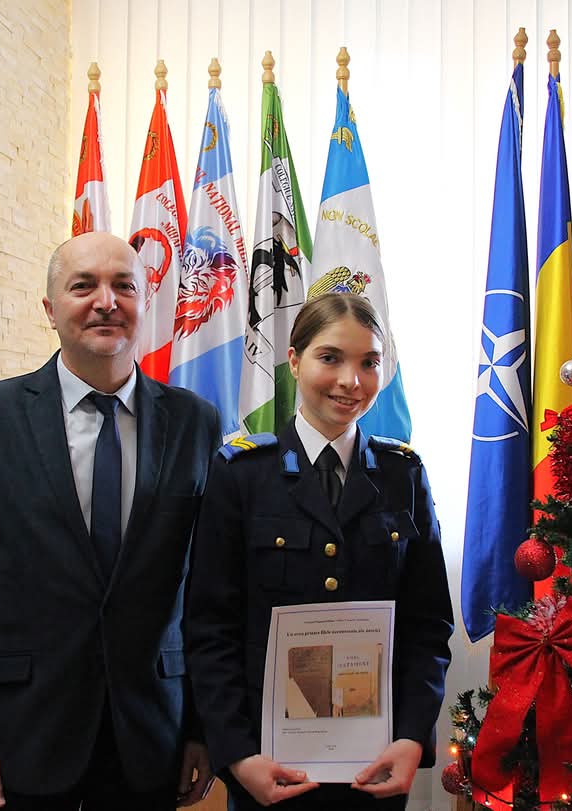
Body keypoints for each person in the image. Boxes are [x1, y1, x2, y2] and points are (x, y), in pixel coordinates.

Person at [0, 232, 221, 811]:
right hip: (22, 738)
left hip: (152, 734)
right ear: (50, 308)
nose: (106, 302)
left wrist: (203, 729)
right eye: (83, 286)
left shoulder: (196, 423)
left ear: (145, 302)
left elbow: (209, 594)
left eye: (124, 286)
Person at [186, 293, 454, 811]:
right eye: (330, 358)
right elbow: (211, 627)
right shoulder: (242, 474)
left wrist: (411, 737)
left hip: (375, 764)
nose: (351, 381)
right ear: (293, 360)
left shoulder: (402, 475)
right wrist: (238, 755)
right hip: (268, 763)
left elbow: (428, 625)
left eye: (369, 363)